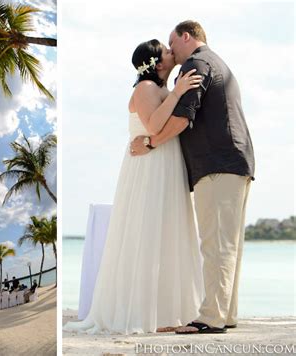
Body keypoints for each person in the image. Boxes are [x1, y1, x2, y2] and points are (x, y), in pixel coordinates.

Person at [63, 37, 205, 335]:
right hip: (149, 165)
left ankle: (169, 312)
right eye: (166, 51)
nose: (171, 52)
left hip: (167, 162)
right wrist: (178, 92)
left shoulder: (162, 88)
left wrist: (175, 92)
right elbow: (153, 126)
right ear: (156, 62)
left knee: (169, 233)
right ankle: (147, 314)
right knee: (150, 232)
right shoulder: (145, 88)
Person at [130, 20, 254, 335]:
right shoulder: (216, 62)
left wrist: (151, 143)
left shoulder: (197, 64)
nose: (171, 53)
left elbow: (184, 117)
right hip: (235, 162)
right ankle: (226, 314)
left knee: (216, 242)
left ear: (187, 37)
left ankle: (211, 317)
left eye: (173, 46)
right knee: (229, 243)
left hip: (217, 163)